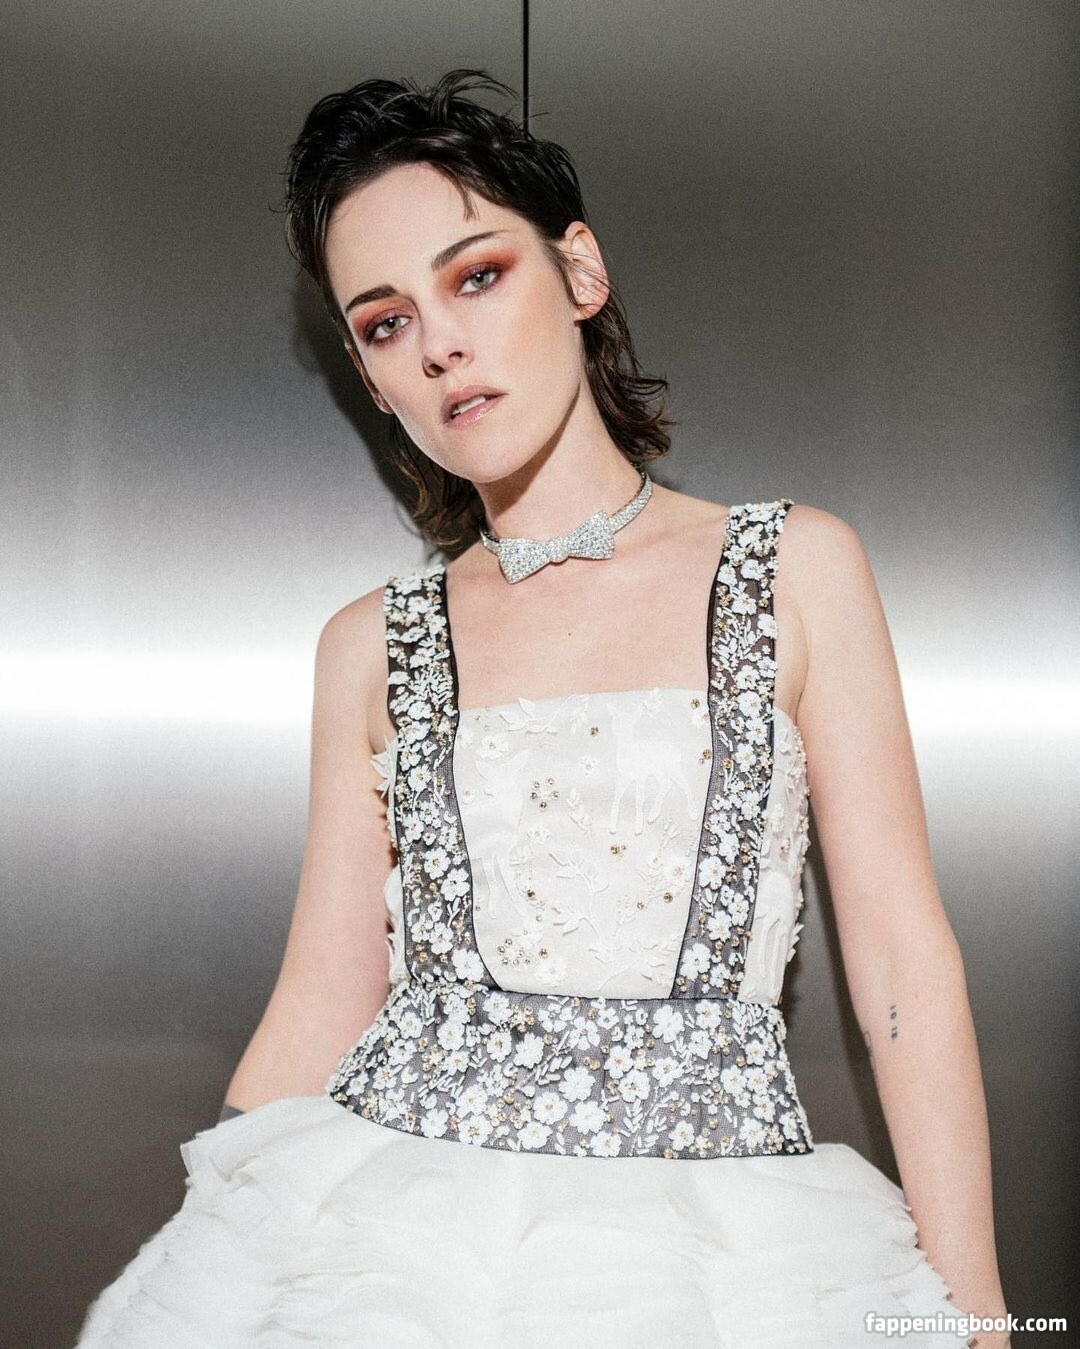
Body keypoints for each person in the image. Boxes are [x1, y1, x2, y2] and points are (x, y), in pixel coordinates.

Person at [76, 68, 1011, 1348]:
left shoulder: (796, 568)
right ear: (368, 373)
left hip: (729, 1254)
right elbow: (322, 997)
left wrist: (977, 1310)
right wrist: (211, 1265)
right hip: (389, 1249)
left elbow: (902, 961)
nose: (440, 345)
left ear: (580, 272)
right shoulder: (368, 644)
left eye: (476, 276)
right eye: (386, 322)